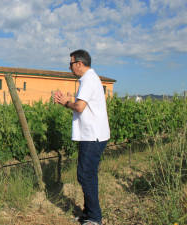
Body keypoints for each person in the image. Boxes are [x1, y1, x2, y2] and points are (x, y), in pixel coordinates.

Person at [54, 49, 110, 225]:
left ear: (79, 63)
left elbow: (79, 107)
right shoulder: (90, 79)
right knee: (86, 174)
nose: (69, 66)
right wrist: (69, 101)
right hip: (92, 134)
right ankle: (88, 213)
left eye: (71, 63)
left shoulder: (88, 80)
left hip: (92, 135)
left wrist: (65, 102)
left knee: (86, 175)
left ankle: (95, 218)